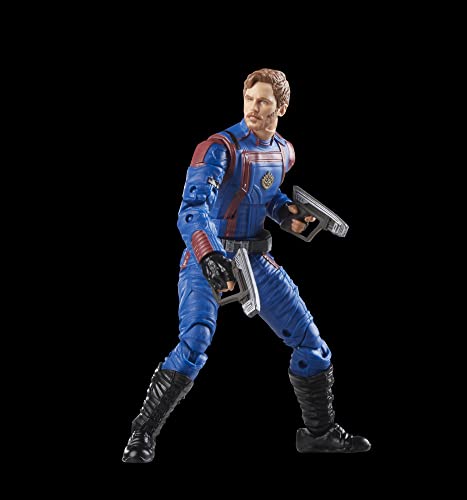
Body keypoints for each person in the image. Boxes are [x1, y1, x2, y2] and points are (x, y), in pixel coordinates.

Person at [122, 68, 370, 462]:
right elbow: (192, 209)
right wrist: (208, 256)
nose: (254, 108)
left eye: (264, 101)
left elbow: (265, 196)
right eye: (249, 99)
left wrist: (288, 215)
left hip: (254, 258)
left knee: (312, 344)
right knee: (195, 340)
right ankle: (141, 434)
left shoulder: (283, 152)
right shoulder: (219, 149)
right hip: (210, 257)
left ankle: (319, 434)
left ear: (281, 108)